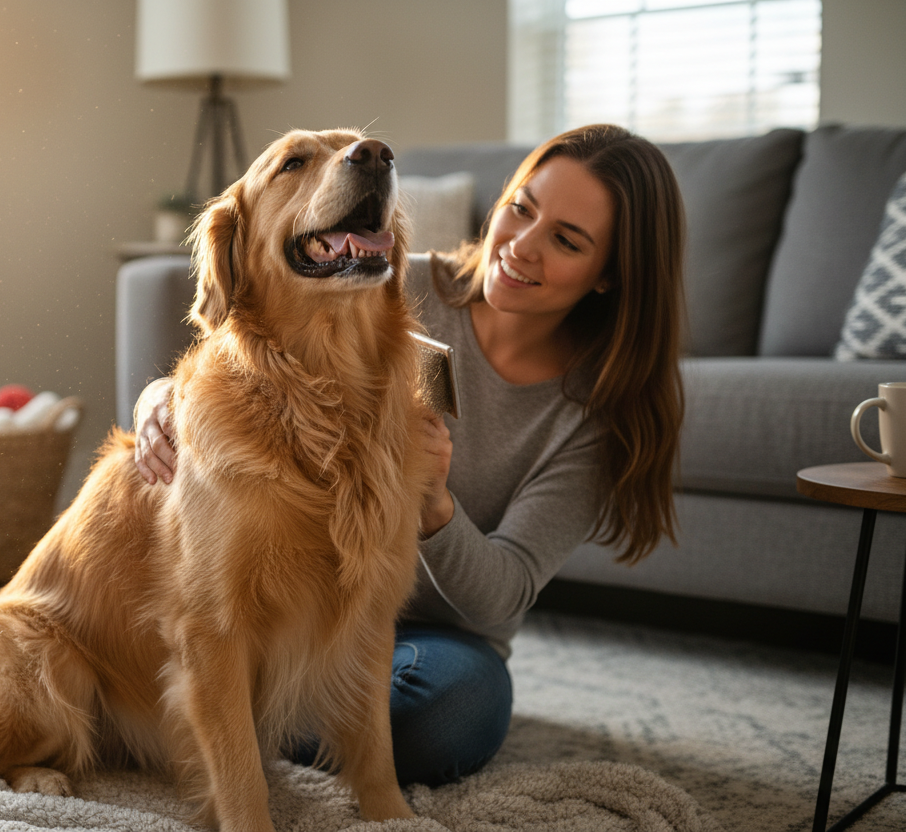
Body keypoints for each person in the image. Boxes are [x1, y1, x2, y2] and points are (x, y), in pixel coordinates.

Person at [131, 123, 686, 786]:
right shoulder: (388, 278)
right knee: (235, 638)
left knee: (446, 719)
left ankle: (216, 706)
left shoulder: (595, 419)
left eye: (566, 241)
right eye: (521, 210)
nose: (522, 248)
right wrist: (161, 396)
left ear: (610, 276)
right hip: (295, 608)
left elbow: (503, 597)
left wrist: (435, 503)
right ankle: (229, 703)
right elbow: (249, 336)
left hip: (431, 638)